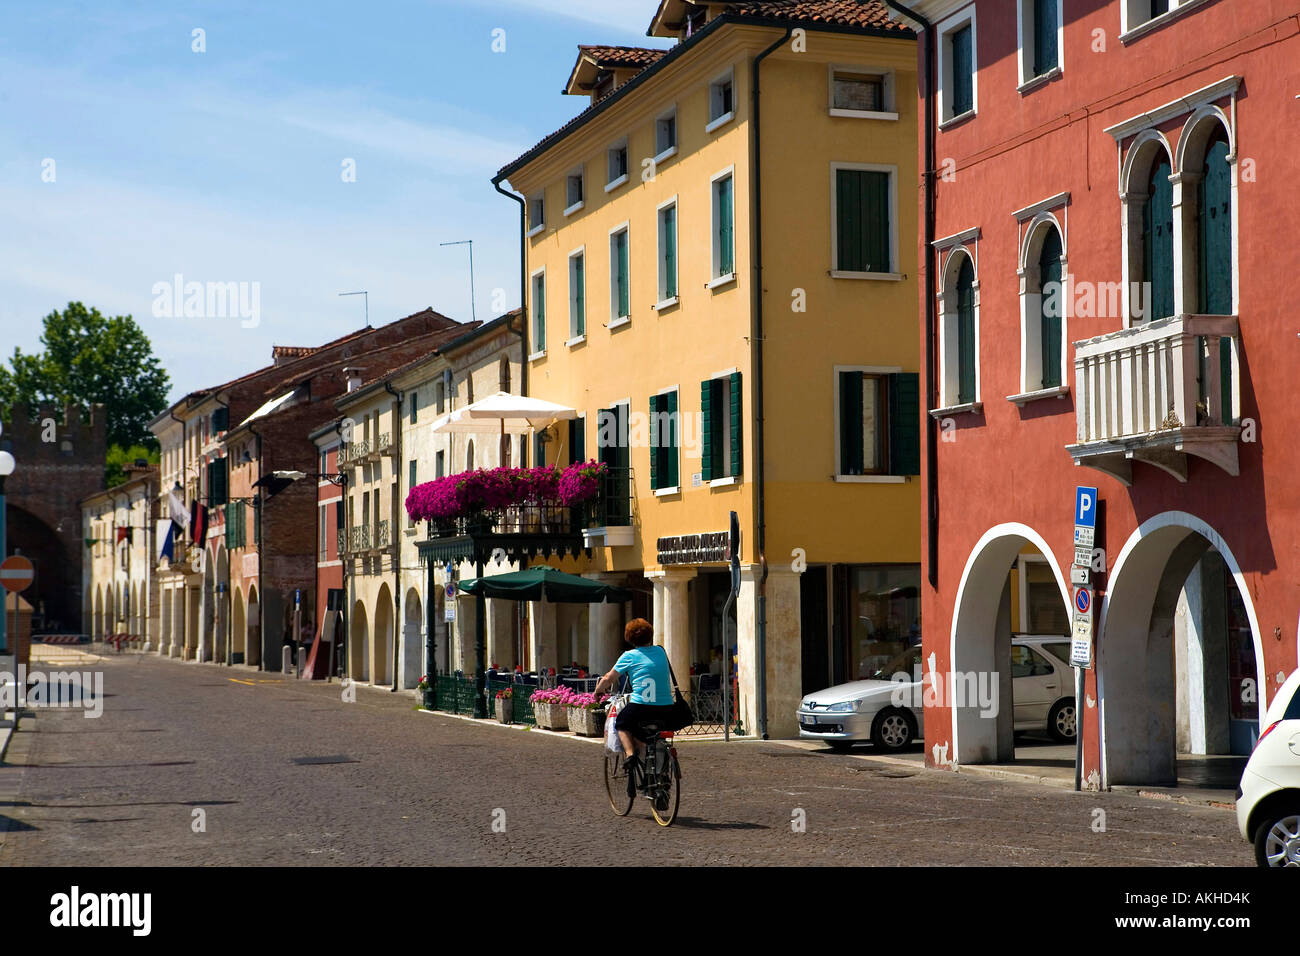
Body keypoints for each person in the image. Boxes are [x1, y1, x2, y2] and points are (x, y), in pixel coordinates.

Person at [593, 618, 674, 798]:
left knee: (622, 724)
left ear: (630, 638)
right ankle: (660, 774)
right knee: (652, 736)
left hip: (641, 706)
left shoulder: (629, 656)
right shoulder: (661, 652)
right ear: (650, 635)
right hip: (666, 708)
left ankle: (630, 755)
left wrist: (598, 691)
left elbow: (609, 678)